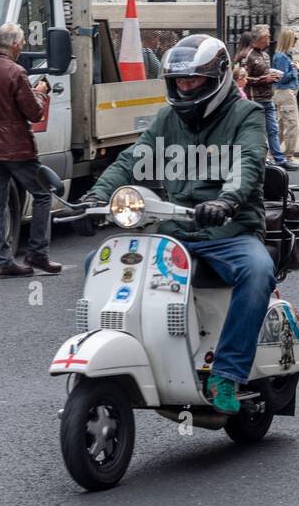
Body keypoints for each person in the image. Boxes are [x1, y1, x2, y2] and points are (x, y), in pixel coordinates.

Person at [80, 35, 272, 416]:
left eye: (193, 81)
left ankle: (226, 373)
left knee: (257, 271)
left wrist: (227, 200)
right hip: (175, 228)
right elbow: (135, 156)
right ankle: (128, 353)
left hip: (228, 230)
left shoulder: (245, 114)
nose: (184, 88)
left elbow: (248, 162)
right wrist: (96, 196)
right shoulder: (169, 117)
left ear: (216, 78)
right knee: (97, 263)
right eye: (179, 81)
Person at [0, 22, 61, 277]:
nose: (23, 45)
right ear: (14, 45)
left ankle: (3, 261)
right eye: (22, 42)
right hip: (16, 148)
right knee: (44, 193)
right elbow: (33, 113)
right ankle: (38, 253)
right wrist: (41, 92)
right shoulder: (16, 72)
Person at [240, 25, 290, 168]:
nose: (269, 39)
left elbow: (264, 74)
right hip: (255, 100)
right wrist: (264, 79)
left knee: (273, 130)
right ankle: (262, 158)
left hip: (268, 98)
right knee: (259, 131)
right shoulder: (247, 55)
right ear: (261, 38)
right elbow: (242, 78)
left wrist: (273, 77)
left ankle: (280, 159)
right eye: (267, 36)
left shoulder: (266, 55)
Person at [271, 27, 299, 169]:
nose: (296, 42)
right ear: (288, 40)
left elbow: (287, 75)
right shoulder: (281, 57)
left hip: (287, 93)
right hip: (285, 93)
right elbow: (281, 78)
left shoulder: (285, 56)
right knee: (293, 125)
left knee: (282, 126)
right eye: (294, 39)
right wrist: (295, 68)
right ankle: (289, 156)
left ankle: (272, 154)